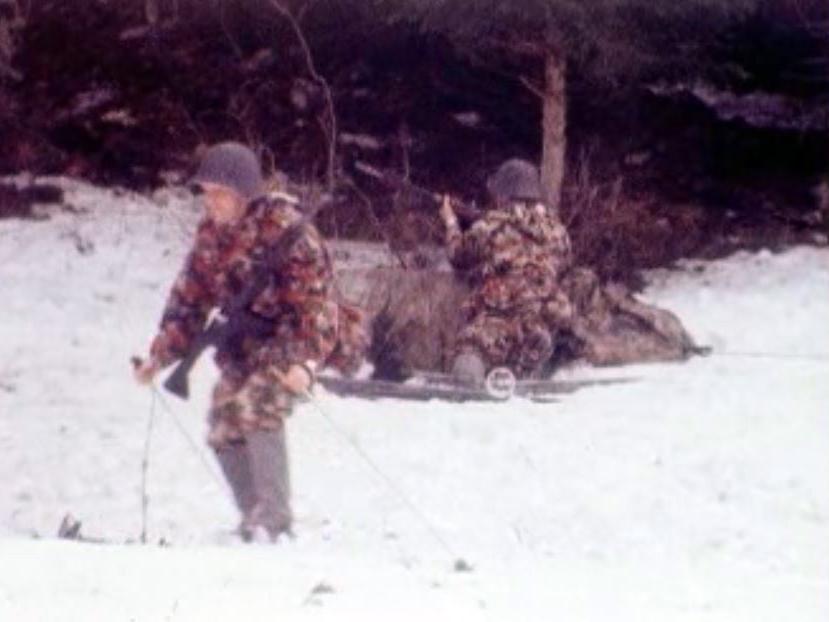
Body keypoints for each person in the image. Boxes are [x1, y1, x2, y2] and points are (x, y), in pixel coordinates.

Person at [134, 142, 363, 542]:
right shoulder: (212, 237)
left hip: (294, 341)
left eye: (220, 194)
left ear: (244, 193)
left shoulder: (289, 232)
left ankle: (274, 524)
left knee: (257, 405)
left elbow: (318, 304)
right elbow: (188, 301)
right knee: (224, 420)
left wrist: (305, 364)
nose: (212, 203)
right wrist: (159, 356)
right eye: (207, 193)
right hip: (245, 347)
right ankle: (253, 517)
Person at [441, 158, 575, 384]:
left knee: (469, 348)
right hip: (548, 318)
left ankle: (471, 380)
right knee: (536, 339)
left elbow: (457, 255)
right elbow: (565, 263)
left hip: (503, 318)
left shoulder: (490, 227)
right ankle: (540, 360)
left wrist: (451, 222)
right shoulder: (557, 229)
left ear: (503, 192)